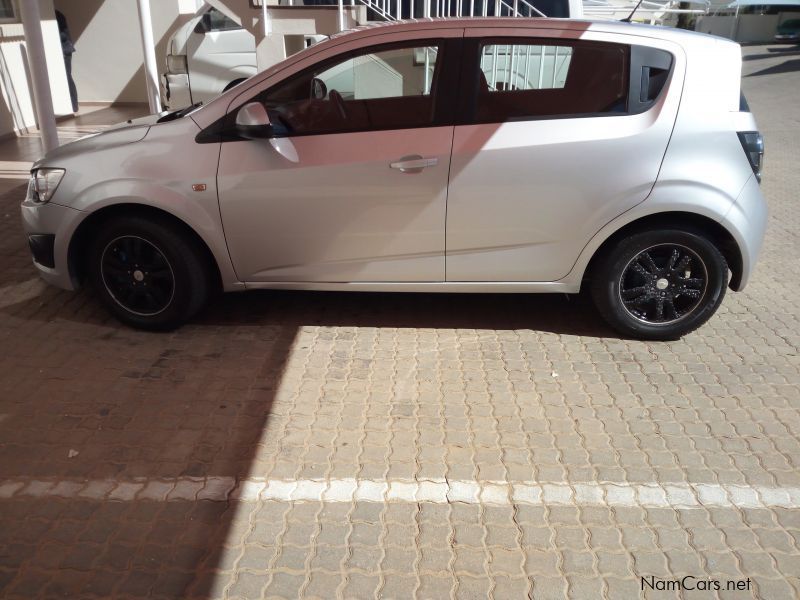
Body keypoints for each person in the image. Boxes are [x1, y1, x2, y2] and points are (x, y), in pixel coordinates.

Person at [55, 10, 78, 114]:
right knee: (65, 77)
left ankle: (74, 106)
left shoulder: (57, 15)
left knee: (66, 77)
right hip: (63, 49)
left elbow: (63, 35)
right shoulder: (55, 14)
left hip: (65, 50)